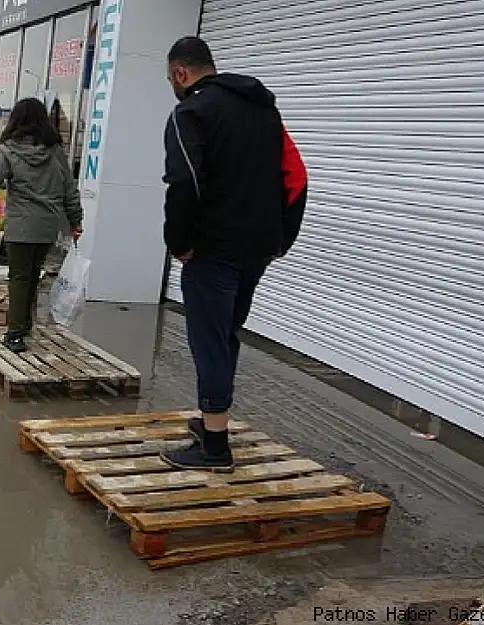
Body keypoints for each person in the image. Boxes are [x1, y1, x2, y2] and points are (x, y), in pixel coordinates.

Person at [158, 36, 308, 472]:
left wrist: (179, 242)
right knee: (226, 334)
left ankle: (215, 447)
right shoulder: (265, 111)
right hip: (256, 247)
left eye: (171, 78)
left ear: (182, 73)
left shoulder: (191, 113)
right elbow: (296, 176)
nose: (173, 86)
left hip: (213, 248)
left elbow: (183, 182)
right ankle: (211, 422)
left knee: (209, 340)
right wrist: (282, 237)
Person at [0, 98, 83, 354]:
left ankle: (15, 334)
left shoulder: (9, 150)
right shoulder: (55, 150)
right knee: (32, 276)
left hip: (21, 226)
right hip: (47, 226)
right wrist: (75, 220)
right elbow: (69, 188)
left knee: (19, 278)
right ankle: (24, 325)